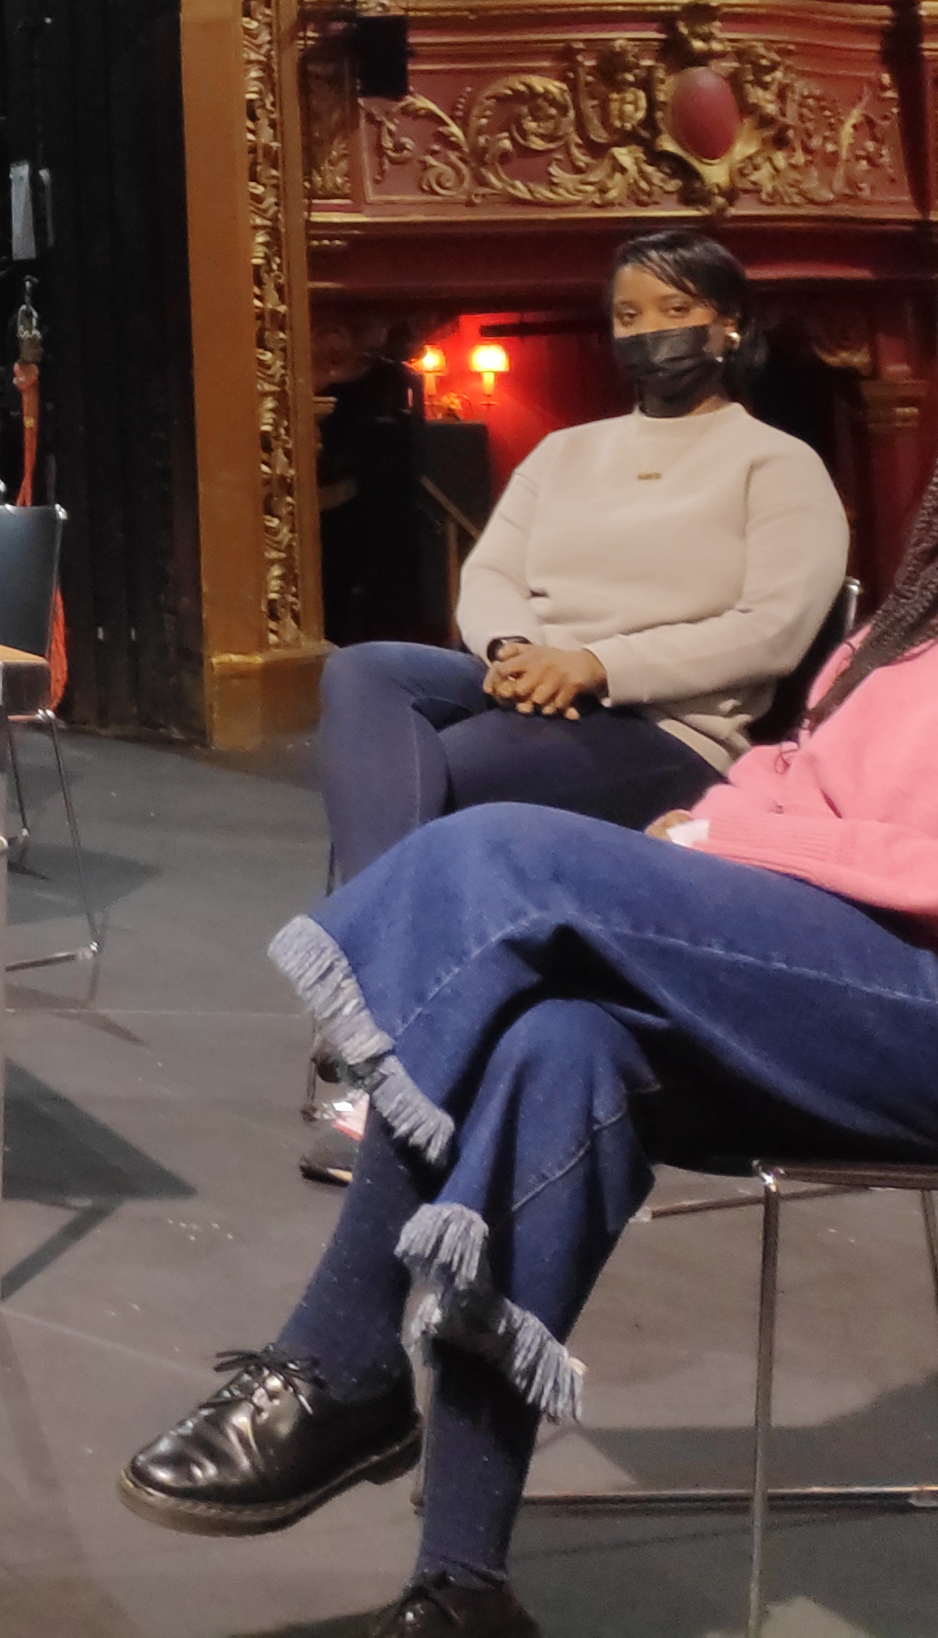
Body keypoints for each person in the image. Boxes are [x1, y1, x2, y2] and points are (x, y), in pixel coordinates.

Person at [118, 213, 938, 1638]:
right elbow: (796, 761)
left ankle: (343, 1360)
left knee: (505, 861)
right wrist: (737, 825)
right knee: (553, 1046)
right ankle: (460, 1583)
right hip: (831, 977)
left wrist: (774, 840)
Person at [300, 231, 847, 1181]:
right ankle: (391, 1007)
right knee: (363, 674)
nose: (651, 335)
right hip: (531, 675)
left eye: (676, 313)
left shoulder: (778, 464)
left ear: (729, 326)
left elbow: (770, 633)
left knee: (445, 779)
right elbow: (494, 571)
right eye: (630, 316)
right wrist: (515, 650)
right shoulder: (564, 452)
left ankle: (375, 1036)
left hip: (666, 722)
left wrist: (596, 664)